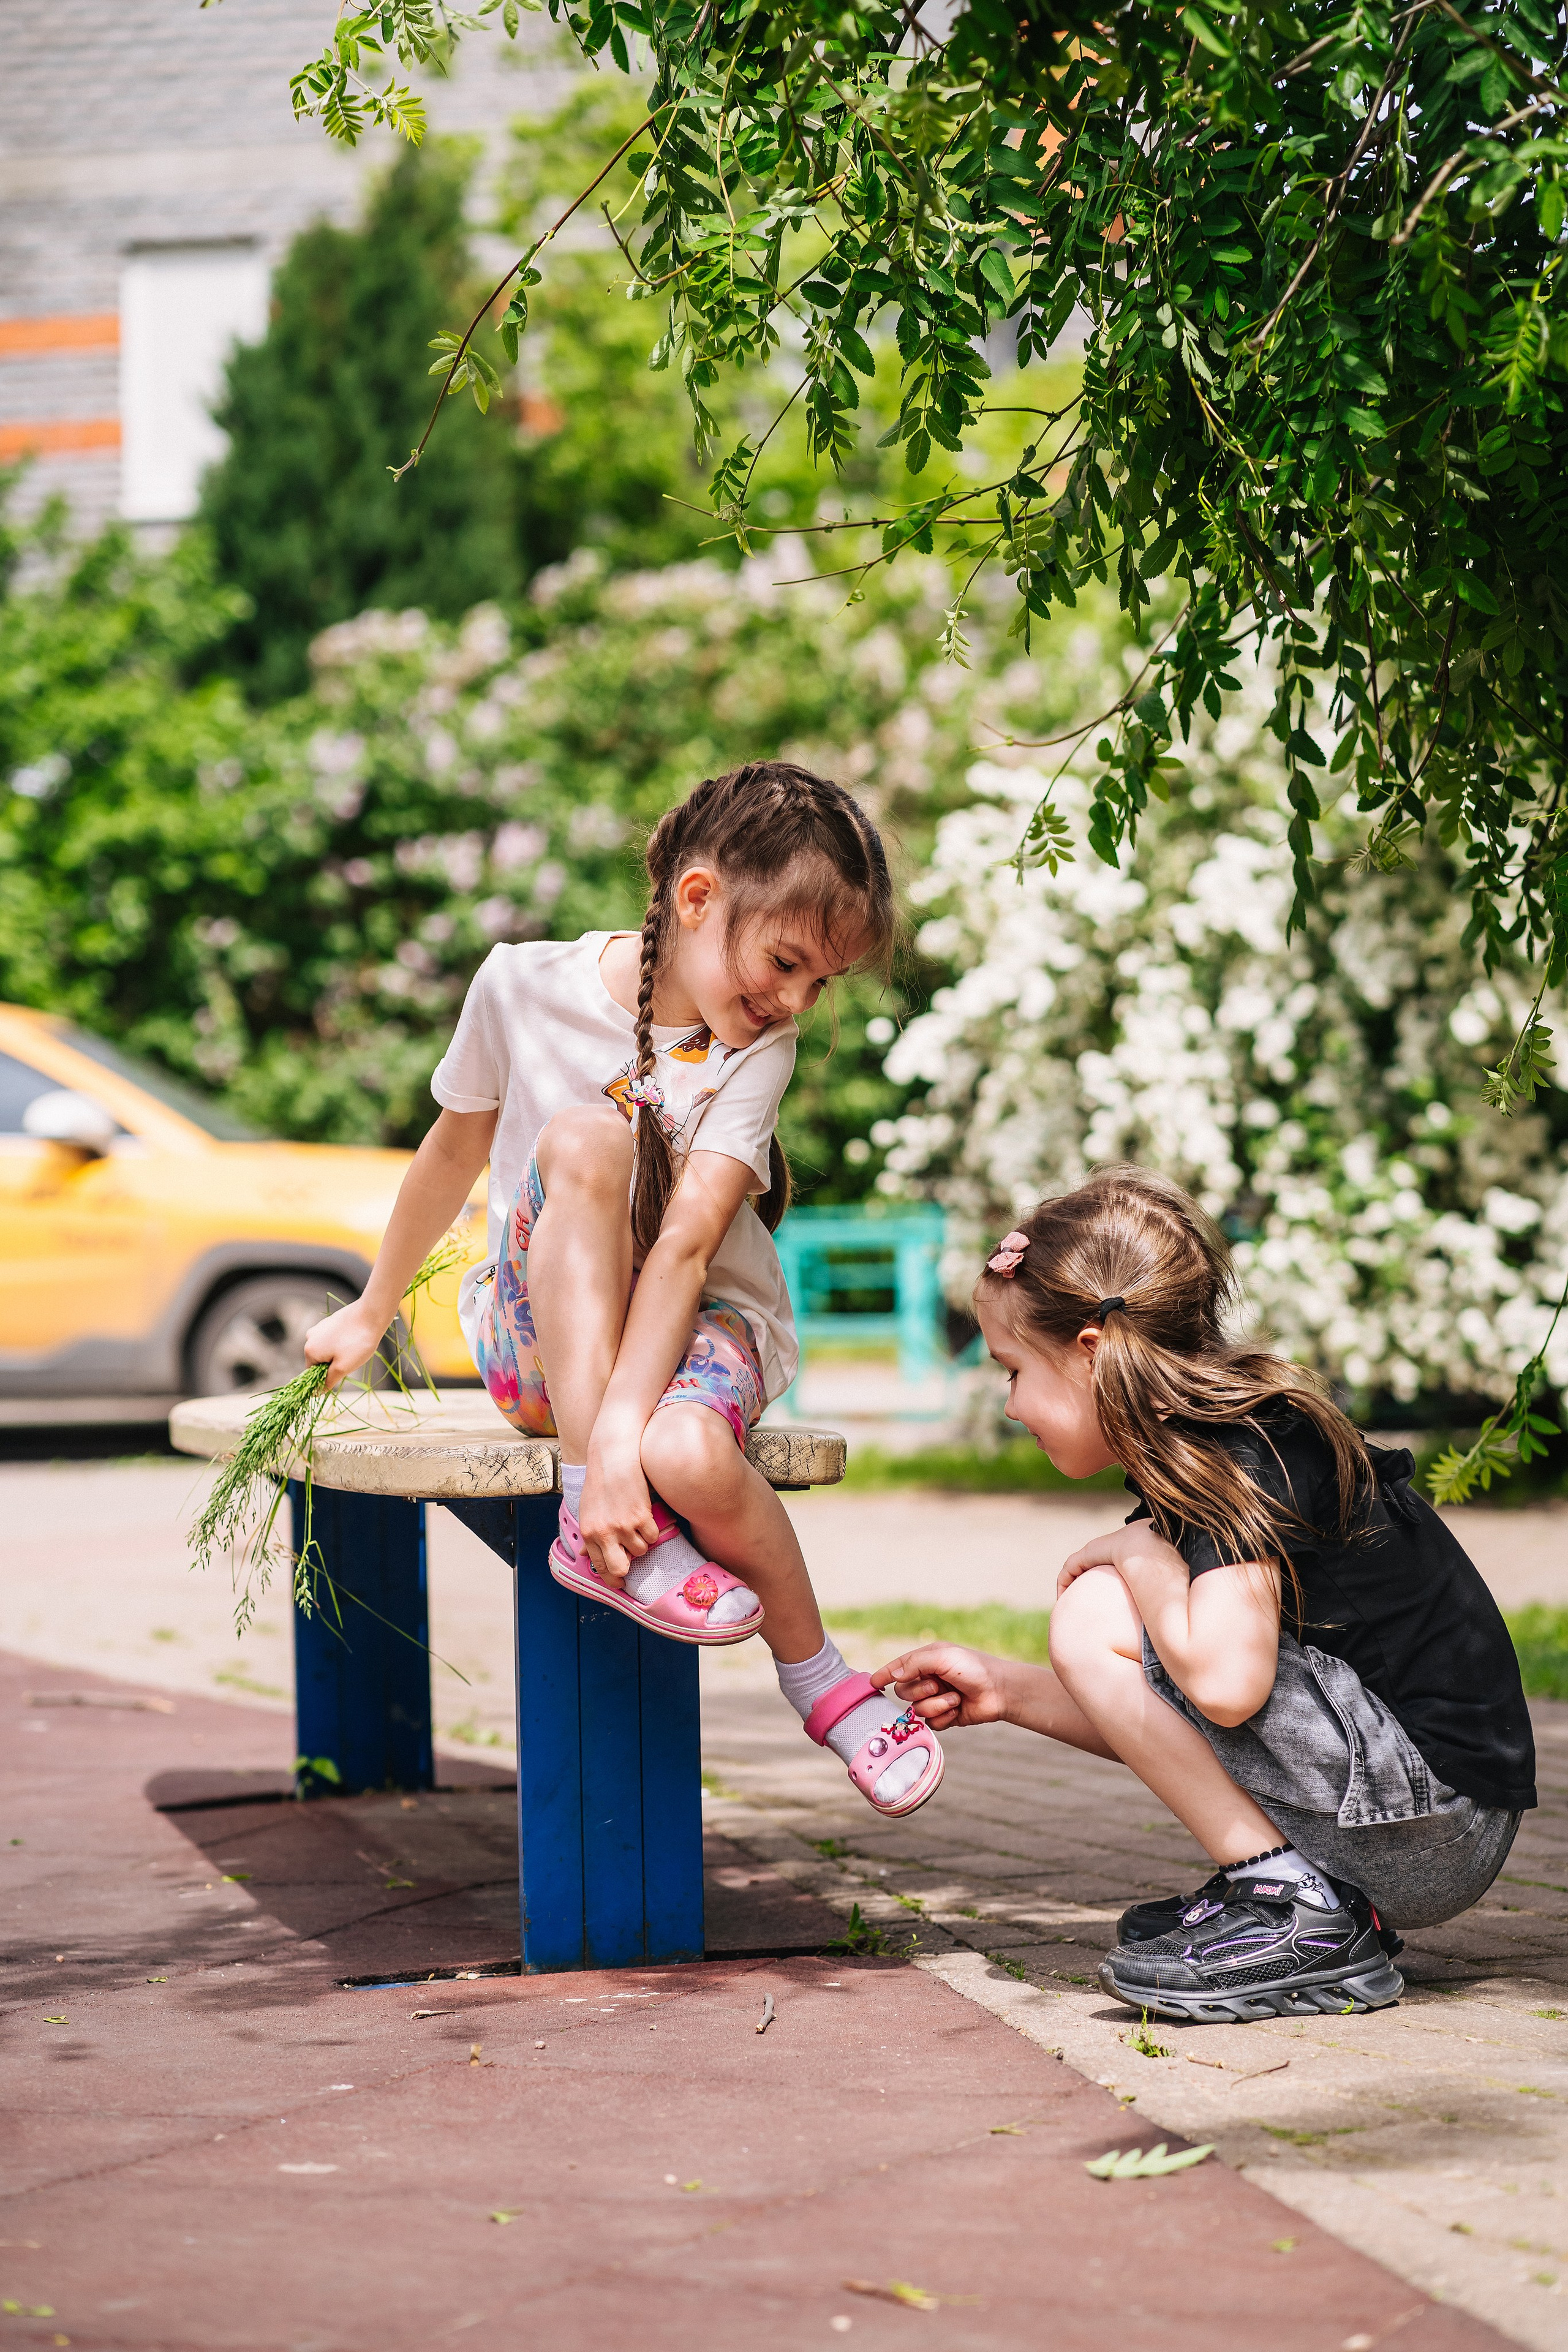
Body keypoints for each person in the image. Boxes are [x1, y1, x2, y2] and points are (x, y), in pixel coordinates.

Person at [303, 761, 944, 1819]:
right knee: (587, 1140)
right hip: (544, 1354)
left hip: (700, 1323)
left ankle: (821, 1681)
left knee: (686, 1452)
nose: (793, 1002)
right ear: (698, 899)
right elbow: (452, 1148)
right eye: (786, 962)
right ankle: (583, 1516)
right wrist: (374, 1307)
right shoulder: (519, 985)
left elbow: (690, 1247)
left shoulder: (760, 1046)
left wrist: (624, 1454)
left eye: (819, 985)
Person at [875, 1167, 1536, 2020]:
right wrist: (1007, 1692)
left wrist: (1138, 1554)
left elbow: (1225, 1689)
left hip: (1430, 1820)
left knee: (1098, 1607)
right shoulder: (1214, 1448)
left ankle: (1291, 1904)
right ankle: (1296, 1892)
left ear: (1092, 1350)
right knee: (1119, 1613)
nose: (1008, 1405)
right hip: (1420, 1819)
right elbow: (1203, 1720)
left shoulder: (1241, 1452)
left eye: (1011, 1370)